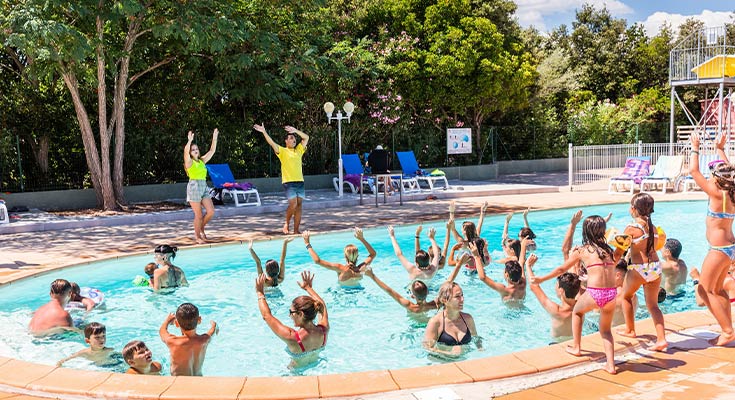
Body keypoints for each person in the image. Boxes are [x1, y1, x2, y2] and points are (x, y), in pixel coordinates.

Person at [532, 215, 618, 374]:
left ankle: (577, 347)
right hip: (612, 294)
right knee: (605, 330)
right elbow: (616, 261)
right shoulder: (609, 251)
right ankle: (611, 365)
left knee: (577, 312)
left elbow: (561, 269)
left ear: (585, 231)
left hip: (596, 293)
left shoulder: (583, 250)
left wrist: (541, 278)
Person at [690, 133, 735, 346]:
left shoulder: (716, 194)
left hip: (718, 249)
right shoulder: (731, 192)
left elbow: (693, 171)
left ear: (717, 179)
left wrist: (695, 147)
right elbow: (729, 171)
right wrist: (719, 148)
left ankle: (727, 331)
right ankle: (728, 328)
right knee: (717, 290)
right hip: (729, 247)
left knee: (704, 289)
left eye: (713, 176)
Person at [614, 193, 667, 352]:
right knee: (653, 305)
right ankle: (662, 339)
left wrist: (610, 263)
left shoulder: (631, 228)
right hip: (656, 267)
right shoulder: (654, 229)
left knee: (626, 296)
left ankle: (630, 330)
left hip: (639, 267)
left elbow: (618, 252)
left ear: (633, 209)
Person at [255, 271, 328, 368]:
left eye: (291, 312)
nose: (290, 315)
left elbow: (267, 316)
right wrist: (308, 288)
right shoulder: (324, 330)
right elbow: (322, 305)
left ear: (300, 314)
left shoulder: (293, 338)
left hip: (295, 373)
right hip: (316, 367)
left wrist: (260, 293)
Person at [253, 123, 309, 234]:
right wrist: (264, 132)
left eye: (294, 138)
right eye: (291, 137)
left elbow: (306, 137)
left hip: (300, 181)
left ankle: (296, 230)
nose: (293, 139)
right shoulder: (282, 151)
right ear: (286, 141)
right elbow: (271, 143)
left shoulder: (299, 150)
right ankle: (287, 223)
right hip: (289, 182)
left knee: (299, 206)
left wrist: (295, 130)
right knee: (293, 204)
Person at [525, 254, 581, 341]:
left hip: (557, 344)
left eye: (556, 285)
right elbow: (576, 282)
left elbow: (534, 287)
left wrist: (528, 266)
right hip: (575, 341)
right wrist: (574, 260)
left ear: (561, 291)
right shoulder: (581, 305)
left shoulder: (557, 311)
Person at [423, 281, 483, 358]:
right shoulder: (436, 322)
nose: (462, 299)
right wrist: (449, 353)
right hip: (443, 362)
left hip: (465, 361)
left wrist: (480, 349)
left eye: (462, 295)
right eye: (457, 296)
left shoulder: (468, 319)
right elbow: (427, 348)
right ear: (444, 300)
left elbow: (476, 338)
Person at [159, 302, 218, 376]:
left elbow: (162, 331)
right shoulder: (205, 340)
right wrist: (214, 326)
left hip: (180, 382)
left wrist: (167, 321)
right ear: (199, 320)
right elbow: (212, 330)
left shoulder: (173, 342)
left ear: (176, 323)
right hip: (198, 380)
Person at [303, 228, 376, 287]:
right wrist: (362, 239)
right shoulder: (362, 268)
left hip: (343, 294)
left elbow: (317, 261)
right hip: (359, 291)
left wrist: (307, 244)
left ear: (345, 256)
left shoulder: (340, 268)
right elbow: (373, 254)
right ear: (357, 256)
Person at [184, 128, 218, 244]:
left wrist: (214, 137)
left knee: (211, 211)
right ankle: (198, 236)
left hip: (203, 186)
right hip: (194, 186)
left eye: (196, 149)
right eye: (193, 150)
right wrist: (189, 141)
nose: (195, 151)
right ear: (190, 152)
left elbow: (212, 151)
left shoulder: (202, 161)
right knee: (198, 215)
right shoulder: (189, 163)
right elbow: (185, 152)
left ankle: (201, 227)